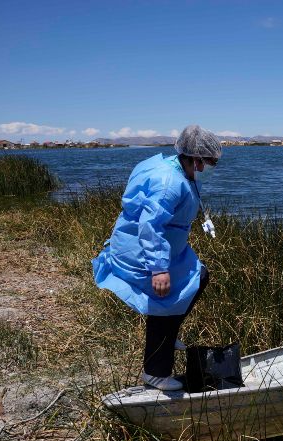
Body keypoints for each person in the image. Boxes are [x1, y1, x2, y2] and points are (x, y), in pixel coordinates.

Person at [91, 125, 223, 391]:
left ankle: (169, 330)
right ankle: (156, 372)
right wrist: (159, 270)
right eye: (210, 162)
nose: (212, 167)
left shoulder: (176, 167)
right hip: (142, 252)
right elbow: (150, 226)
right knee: (165, 300)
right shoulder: (169, 184)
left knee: (200, 275)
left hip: (167, 248)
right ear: (196, 159)